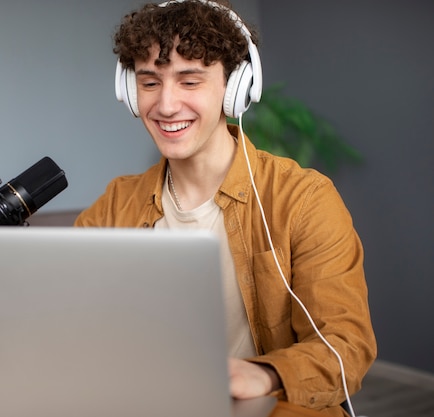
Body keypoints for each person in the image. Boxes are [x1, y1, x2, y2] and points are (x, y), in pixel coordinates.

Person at [74, 1, 376, 416]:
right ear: (129, 91)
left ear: (236, 88)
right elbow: (73, 325)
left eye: (190, 81)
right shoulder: (114, 205)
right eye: (149, 83)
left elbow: (346, 346)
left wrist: (265, 374)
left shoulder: (303, 199)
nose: (165, 105)